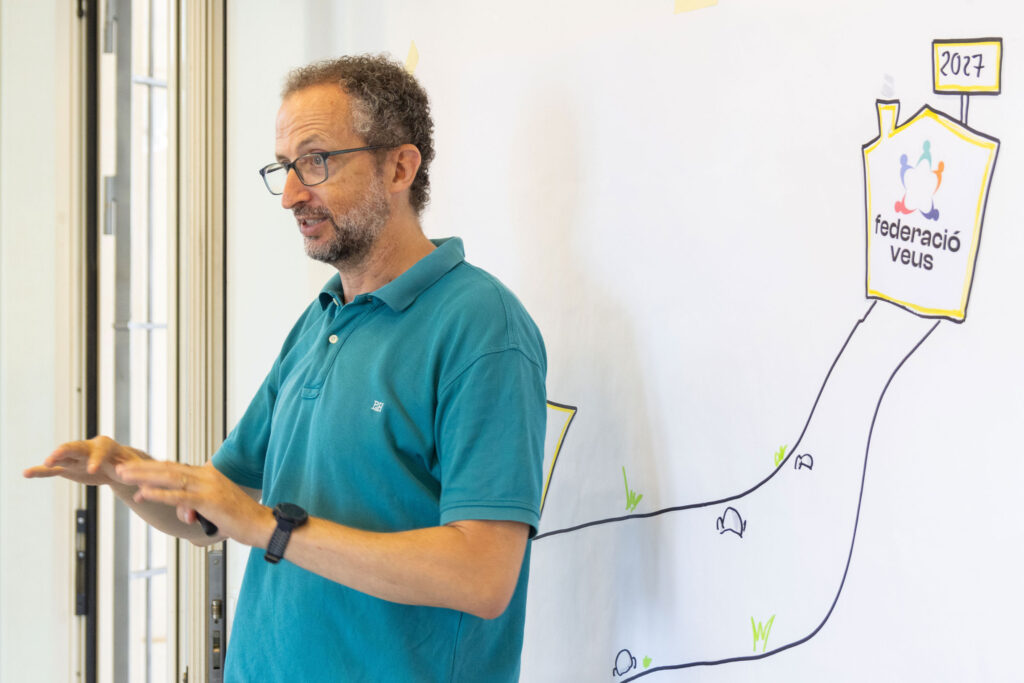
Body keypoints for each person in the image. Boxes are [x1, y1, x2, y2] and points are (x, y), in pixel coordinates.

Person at [25, 54, 547, 682]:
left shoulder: (482, 326)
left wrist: (267, 528)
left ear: (399, 167)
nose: (292, 195)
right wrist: (124, 472)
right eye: (284, 167)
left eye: (316, 161)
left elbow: (483, 575)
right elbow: (214, 515)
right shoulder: (321, 320)